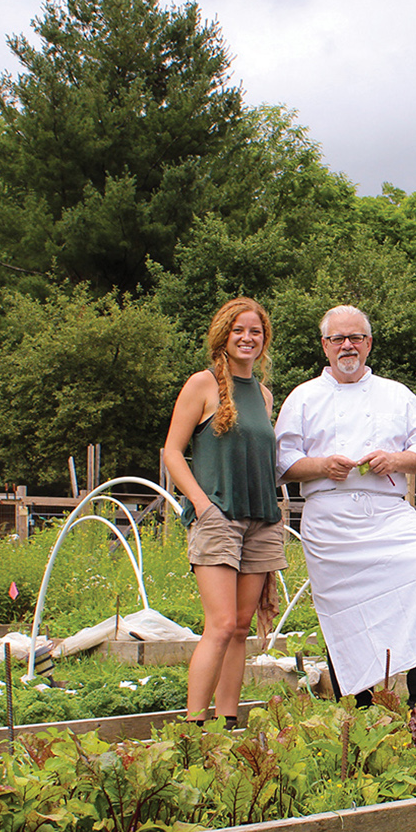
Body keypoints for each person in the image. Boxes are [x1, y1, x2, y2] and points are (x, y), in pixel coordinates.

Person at [275, 305, 416, 705]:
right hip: (330, 520)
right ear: (325, 346)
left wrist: (394, 460)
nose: (348, 345)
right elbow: (284, 461)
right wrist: (322, 465)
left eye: (356, 338)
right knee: (346, 610)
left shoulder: (397, 395)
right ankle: (354, 707)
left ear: (369, 343)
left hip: (389, 513)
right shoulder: (303, 397)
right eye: (338, 339)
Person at [161, 297, 288, 728]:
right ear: (224, 335)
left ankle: (228, 720)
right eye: (239, 330)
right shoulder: (203, 385)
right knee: (218, 624)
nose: (247, 338)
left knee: (240, 627)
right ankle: (194, 725)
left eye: (255, 331)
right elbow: (172, 452)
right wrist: (201, 503)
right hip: (219, 517)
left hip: (261, 520)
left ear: (263, 339)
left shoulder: (265, 395)